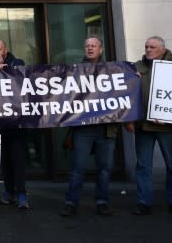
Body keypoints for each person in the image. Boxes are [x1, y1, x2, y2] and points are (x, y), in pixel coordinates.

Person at [126, 36, 172, 215]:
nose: (148, 50)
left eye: (152, 47)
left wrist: (171, 115)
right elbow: (126, 93)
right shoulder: (137, 67)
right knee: (143, 166)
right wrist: (128, 118)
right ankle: (144, 202)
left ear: (162, 49)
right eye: (146, 47)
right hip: (143, 126)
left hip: (168, 127)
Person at [60, 37, 118, 217]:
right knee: (78, 168)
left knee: (105, 168)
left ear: (101, 49)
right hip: (83, 127)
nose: (90, 48)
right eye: (87, 46)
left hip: (105, 128)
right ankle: (71, 202)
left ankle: (102, 202)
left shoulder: (114, 70)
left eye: (94, 46)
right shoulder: (75, 71)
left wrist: (134, 77)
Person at [0, 39, 29, 210]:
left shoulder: (17, 62)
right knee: (5, 162)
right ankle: (8, 192)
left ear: (6, 50)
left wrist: (3, 69)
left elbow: (19, 79)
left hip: (16, 125)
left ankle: (22, 194)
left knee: (18, 162)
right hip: (0, 125)